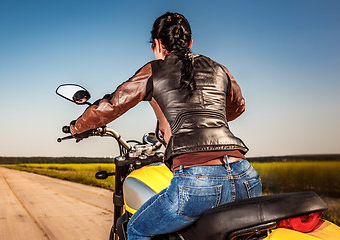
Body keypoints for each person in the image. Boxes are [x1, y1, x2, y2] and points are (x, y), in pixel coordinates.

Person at [70, 12, 262, 240]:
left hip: (197, 183)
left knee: (137, 229)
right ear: (190, 43)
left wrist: (76, 126)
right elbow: (237, 107)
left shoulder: (154, 70)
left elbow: (112, 105)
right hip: (246, 176)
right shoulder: (219, 68)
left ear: (157, 45)